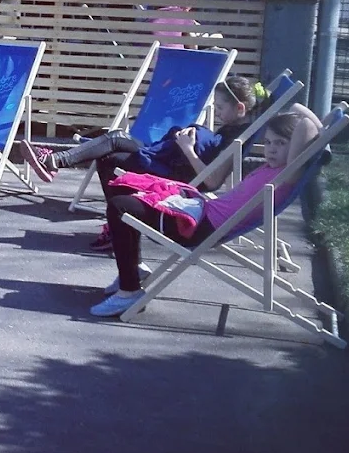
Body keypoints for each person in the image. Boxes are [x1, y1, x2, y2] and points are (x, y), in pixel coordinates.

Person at [89, 104, 322, 318]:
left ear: (297, 149)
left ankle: (129, 291)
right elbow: (303, 118)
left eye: (281, 143)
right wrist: (315, 127)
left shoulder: (288, 175)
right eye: (269, 142)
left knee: (120, 206)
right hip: (202, 211)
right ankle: (134, 271)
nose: (271, 149)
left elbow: (307, 124)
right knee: (130, 193)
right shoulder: (275, 167)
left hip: (200, 227)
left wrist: (320, 134)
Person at [21, 76, 268, 249]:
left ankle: (53, 161)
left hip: (182, 178)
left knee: (116, 138)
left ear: (240, 108)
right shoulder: (235, 128)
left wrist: (187, 148)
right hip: (170, 162)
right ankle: (116, 225)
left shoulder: (237, 138)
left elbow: (212, 181)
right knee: (109, 156)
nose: (219, 111)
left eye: (222, 107)